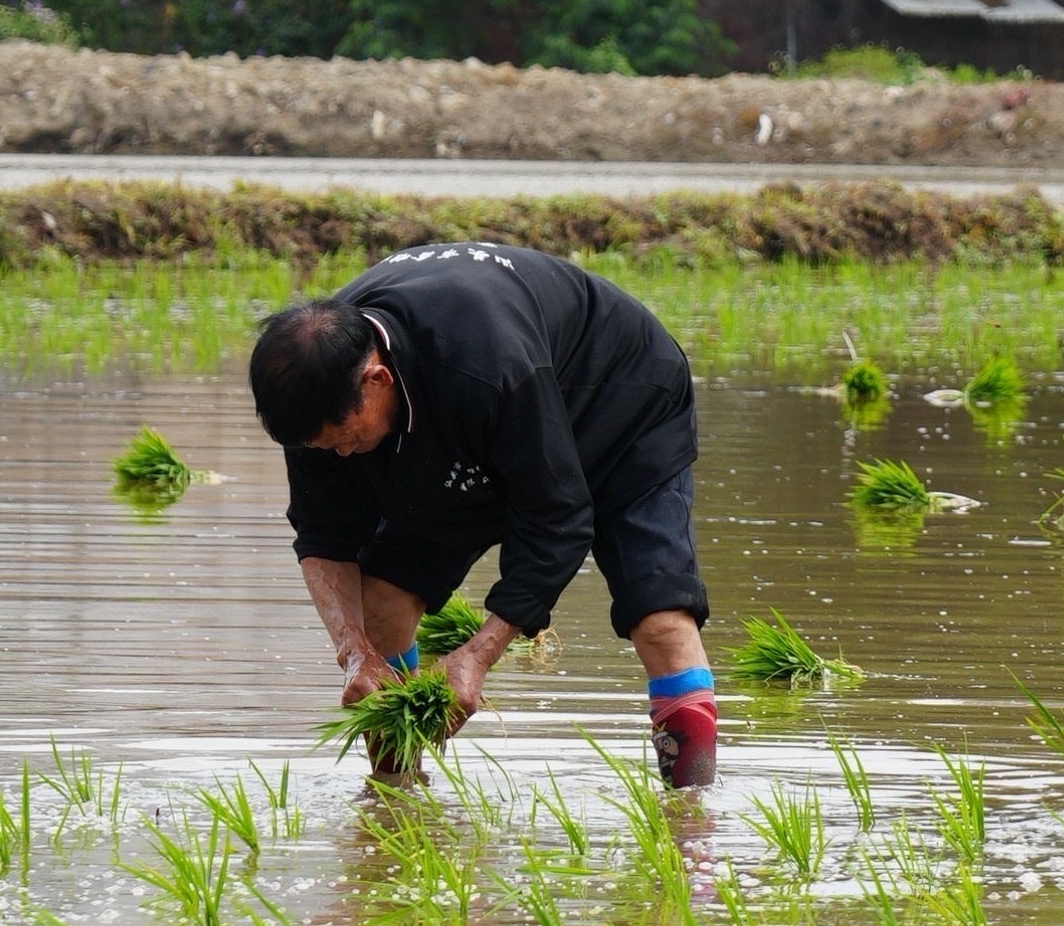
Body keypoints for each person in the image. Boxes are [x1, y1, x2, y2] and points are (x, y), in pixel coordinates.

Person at [248, 240, 717, 788]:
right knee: (381, 602)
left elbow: (557, 518)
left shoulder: (488, 366)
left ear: (377, 380)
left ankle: (692, 820)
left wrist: (477, 654)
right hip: (468, 425)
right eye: (323, 447)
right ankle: (395, 806)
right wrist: (354, 652)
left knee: (659, 620)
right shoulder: (314, 392)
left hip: (619, 403)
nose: (340, 455)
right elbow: (323, 535)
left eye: (346, 440)